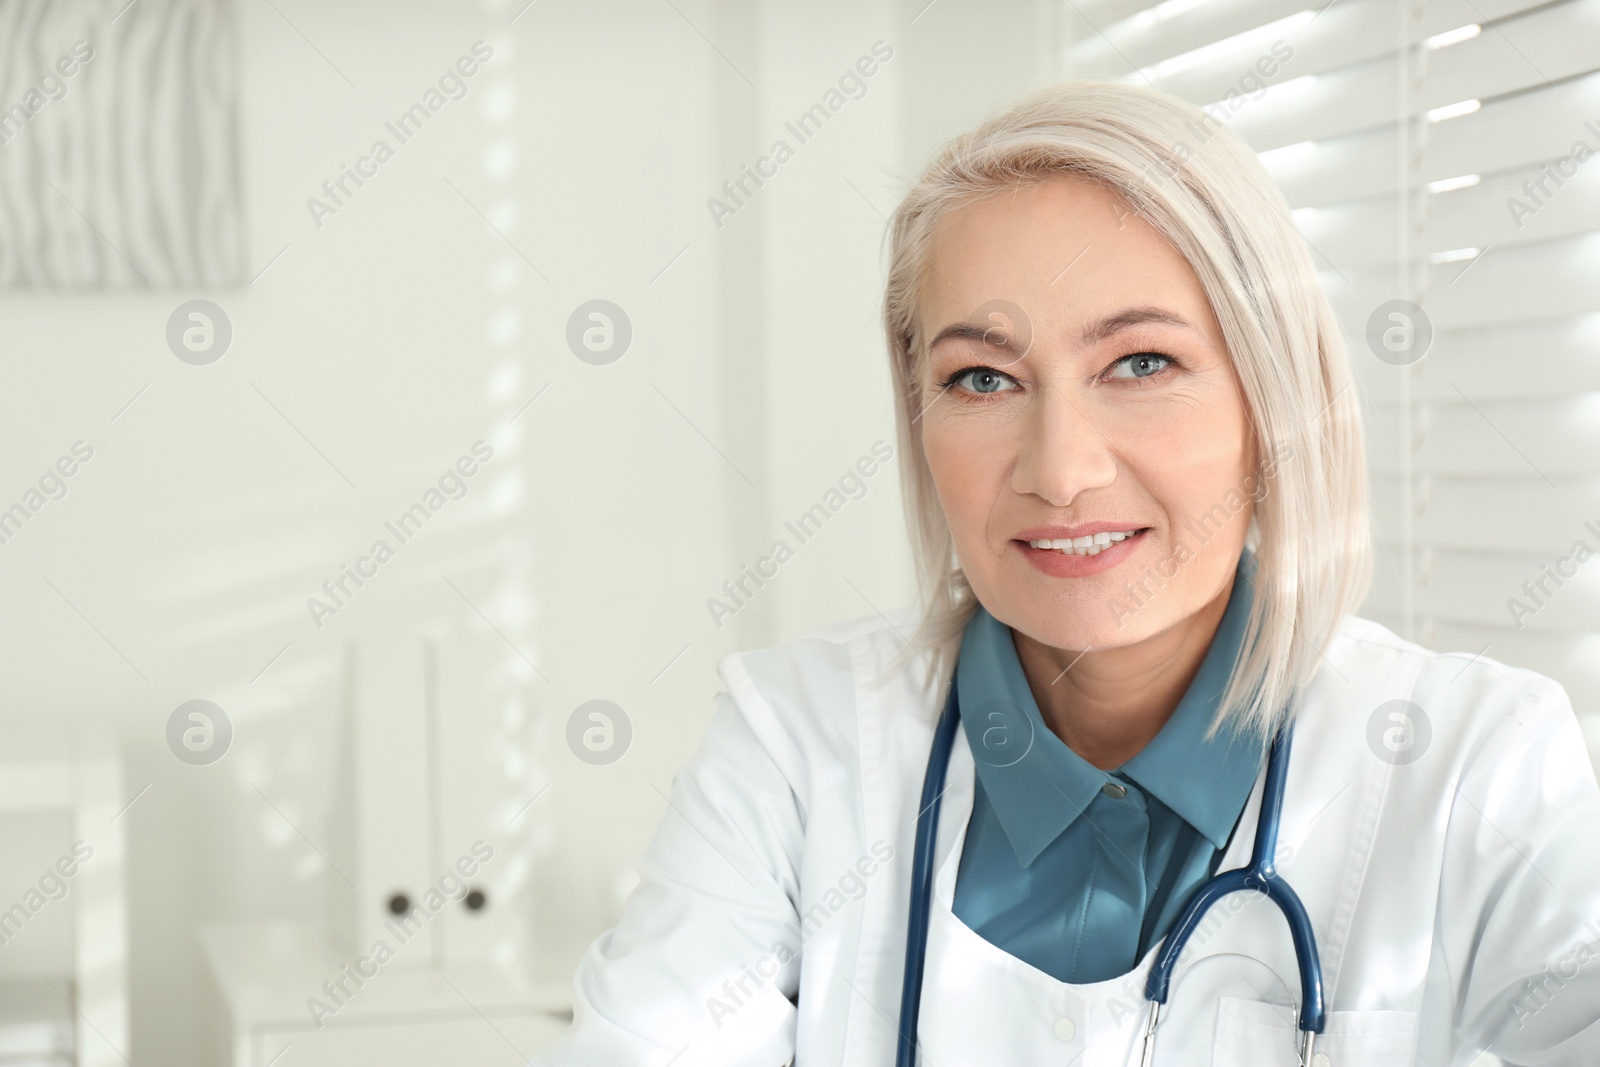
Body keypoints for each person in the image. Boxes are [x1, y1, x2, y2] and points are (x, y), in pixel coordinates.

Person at [532, 80, 1600, 1065]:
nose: (1059, 469)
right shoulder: (794, 746)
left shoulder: (1473, 764)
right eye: (983, 377)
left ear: (1273, 401)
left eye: (1142, 362)